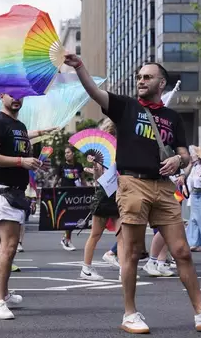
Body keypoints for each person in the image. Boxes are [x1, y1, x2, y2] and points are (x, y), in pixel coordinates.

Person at [65, 54, 201, 333]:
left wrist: (178, 162)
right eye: (139, 77)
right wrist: (81, 67)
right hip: (132, 185)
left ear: (162, 83)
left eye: (147, 77)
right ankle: (130, 313)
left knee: (181, 250)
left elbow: (184, 153)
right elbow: (94, 92)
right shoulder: (125, 107)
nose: (141, 81)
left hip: (164, 188)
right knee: (131, 253)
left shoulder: (172, 118)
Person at [0, 93, 54, 320]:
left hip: (15, 191)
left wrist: (35, 162)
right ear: (1, 96)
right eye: (12, 94)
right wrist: (22, 162)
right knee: (9, 245)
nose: (17, 99)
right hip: (0, 190)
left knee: (8, 246)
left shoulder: (19, 126)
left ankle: (2, 292)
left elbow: (20, 155)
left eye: (21, 95)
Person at [80, 119, 120, 281]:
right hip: (105, 194)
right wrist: (96, 167)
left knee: (122, 235)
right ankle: (86, 268)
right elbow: (98, 178)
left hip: (118, 193)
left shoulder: (120, 148)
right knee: (96, 233)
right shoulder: (101, 152)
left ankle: (124, 270)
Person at [55, 146, 86, 251]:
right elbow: (56, 179)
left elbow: (82, 180)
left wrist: (86, 191)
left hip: (75, 195)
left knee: (73, 217)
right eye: (65, 153)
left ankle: (66, 238)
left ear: (73, 154)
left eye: (68, 152)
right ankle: (67, 240)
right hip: (64, 194)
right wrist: (52, 190)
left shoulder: (79, 166)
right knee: (67, 217)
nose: (66, 154)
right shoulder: (62, 166)